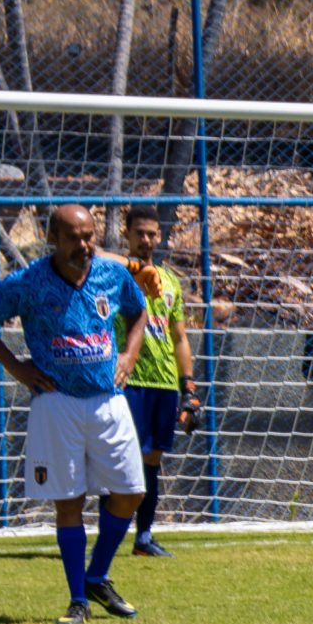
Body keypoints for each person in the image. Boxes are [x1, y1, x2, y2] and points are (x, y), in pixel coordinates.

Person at [0, 205, 151, 624]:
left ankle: (97, 576)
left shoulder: (111, 273)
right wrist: (15, 367)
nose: (84, 245)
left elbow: (138, 310)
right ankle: (78, 600)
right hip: (56, 401)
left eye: (89, 236)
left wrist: (130, 354)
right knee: (69, 502)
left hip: (108, 398)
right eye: (73, 237)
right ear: (53, 239)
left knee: (131, 491)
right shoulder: (29, 281)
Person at [117, 209, 199, 558]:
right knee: (120, 461)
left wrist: (188, 388)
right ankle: (110, 537)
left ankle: (143, 538)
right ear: (127, 234)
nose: (146, 240)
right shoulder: (115, 275)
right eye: (140, 233)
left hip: (163, 383)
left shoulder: (170, 282)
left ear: (160, 236)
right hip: (127, 379)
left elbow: (179, 337)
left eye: (152, 234)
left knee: (152, 461)